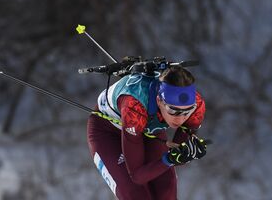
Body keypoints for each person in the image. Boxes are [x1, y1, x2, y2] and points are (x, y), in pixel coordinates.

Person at [87, 65, 208, 199]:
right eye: (173, 111)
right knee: (136, 195)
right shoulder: (135, 107)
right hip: (108, 132)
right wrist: (169, 159)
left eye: (187, 112)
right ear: (159, 101)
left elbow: (177, 156)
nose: (180, 118)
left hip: (148, 129)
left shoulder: (197, 106)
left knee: (166, 194)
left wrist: (187, 154)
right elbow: (137, 176)